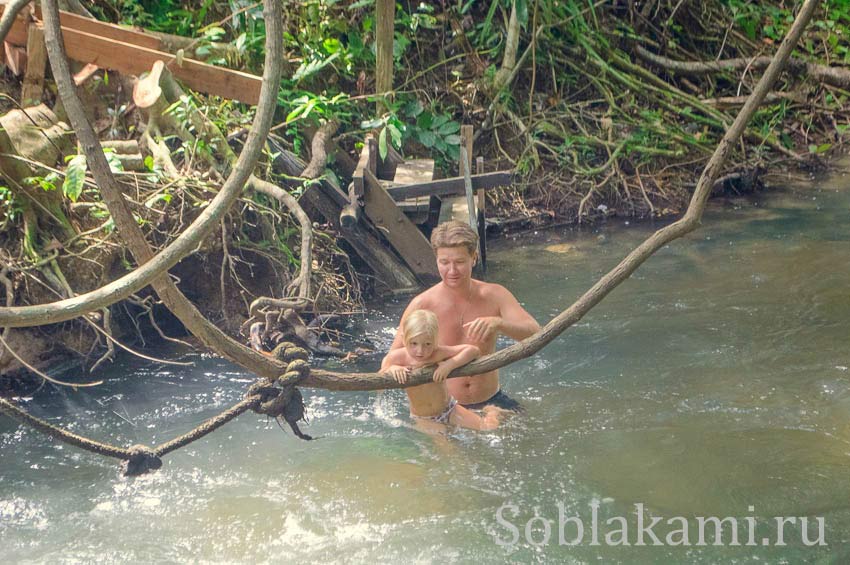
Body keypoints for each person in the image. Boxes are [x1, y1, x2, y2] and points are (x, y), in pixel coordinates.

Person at [390, 221, 540, 411]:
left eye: (460, 262)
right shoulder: (422, 305)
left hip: (492, 399)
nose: (452, 271)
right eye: (444, 262)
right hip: (445, 407)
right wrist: (394, 371)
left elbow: (536, 335)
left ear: (474, 258)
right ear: (436, 259)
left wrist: (499, 324)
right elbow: (392, 358)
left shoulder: (495, 295)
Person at [381, 309, 504, 430]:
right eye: (414, 343)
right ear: (403, 339)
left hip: (449, 408)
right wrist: (392, 369)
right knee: (447, 449)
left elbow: (473, 351)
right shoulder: (396, 358)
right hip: (425, 417)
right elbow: (379, 380)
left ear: (435, 341)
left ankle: (492, 411)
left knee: (488, 428)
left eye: (427, 344)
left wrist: (449, 365)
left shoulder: (438, 353)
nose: (420, 351)